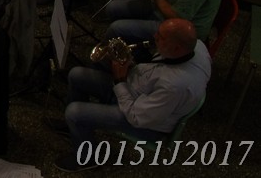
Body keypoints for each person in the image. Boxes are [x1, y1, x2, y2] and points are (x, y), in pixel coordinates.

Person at [52, 18, 210, 172]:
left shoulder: (174, 85)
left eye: (161, 37)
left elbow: (136, 117)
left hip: (145, 122)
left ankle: (87, 158)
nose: (155, 36)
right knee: (76, 75)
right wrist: (129, 64)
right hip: (140, 95)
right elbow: (155, 72)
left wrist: (119, 79)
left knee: (74, 112)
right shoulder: (197, 46)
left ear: (176, 48)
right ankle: (74, 129)